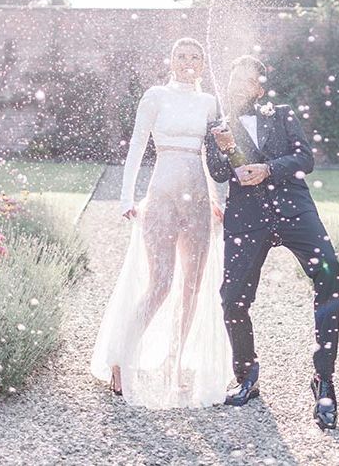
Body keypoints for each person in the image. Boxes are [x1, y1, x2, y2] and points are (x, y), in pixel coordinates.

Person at [90, 37, 232, 409]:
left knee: (193, 286)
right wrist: (125, 197)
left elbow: (215, 156)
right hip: (162, 196)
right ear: (170, 60)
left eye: (195, 57)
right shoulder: (155, 96)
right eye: (181, 56)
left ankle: (174, 362)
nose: (188, 61)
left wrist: (219, 198)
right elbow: (137, 145)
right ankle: (122, 356)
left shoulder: (209, 103)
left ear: (203, 64)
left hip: (198, 198)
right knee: (161, 283)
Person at [205, 55, 339, 430]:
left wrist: (268, 169)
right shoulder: (217, 124)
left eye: (245, 81)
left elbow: (304, 159)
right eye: (232, 78)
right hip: (246, 220)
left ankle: (323, 379)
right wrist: (221, 147)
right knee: (232, 298)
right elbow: (219, 172)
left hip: (294, 210)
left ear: (259, 89)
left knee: (330, 276)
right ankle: (246, 374)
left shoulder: (280, 113)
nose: (235, 86)